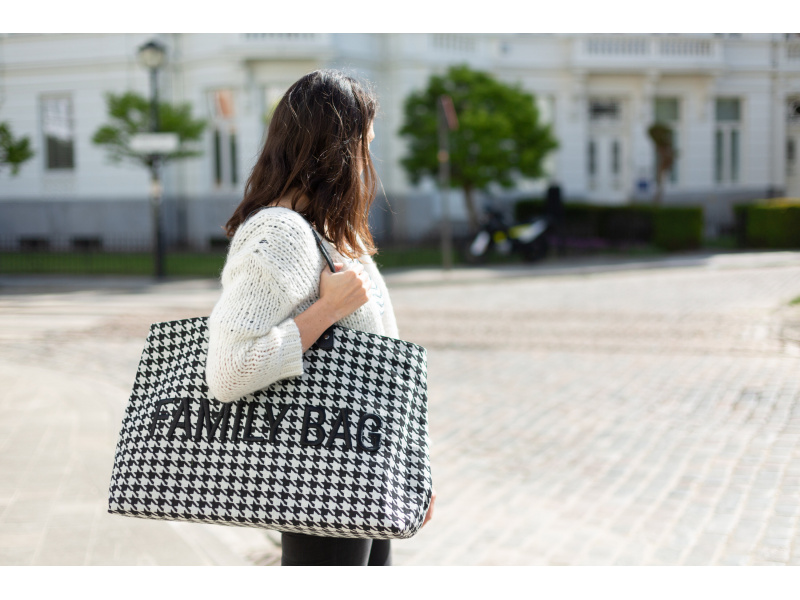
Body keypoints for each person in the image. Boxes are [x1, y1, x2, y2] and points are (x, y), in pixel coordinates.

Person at [205, 69, 434, 566]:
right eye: (365, 146)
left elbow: (386, 367)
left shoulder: (329, 232)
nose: (369, 162)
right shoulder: (280, 233)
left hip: (366, 467)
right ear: (339, 151)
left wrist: (412, 468)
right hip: (323, 468)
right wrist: (327, 311)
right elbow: (228, 370)